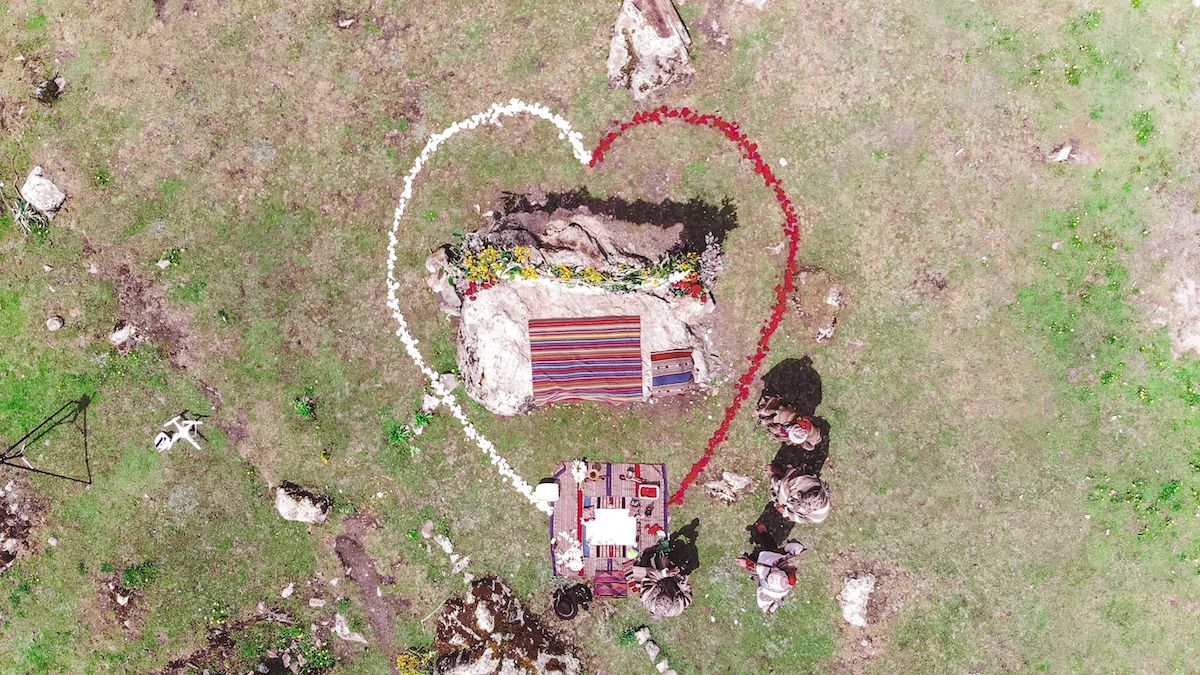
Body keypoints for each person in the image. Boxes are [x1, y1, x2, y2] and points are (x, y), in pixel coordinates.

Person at [736, 542, 806, 614]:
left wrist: (746, 563)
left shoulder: (766, 571)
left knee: (762, 602)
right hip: (774, 586)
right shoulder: (789, 576)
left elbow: (756, 568)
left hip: (771, 581)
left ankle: (771, 605)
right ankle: (772, 605)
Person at [755, 395, 821, 449]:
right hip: (789, 417)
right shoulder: (804, 425)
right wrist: (761, 415)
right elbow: (776, 414)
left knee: (777, 430)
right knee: (779, 418)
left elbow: (783, 429)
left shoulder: (805, 433)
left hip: (804, 433)